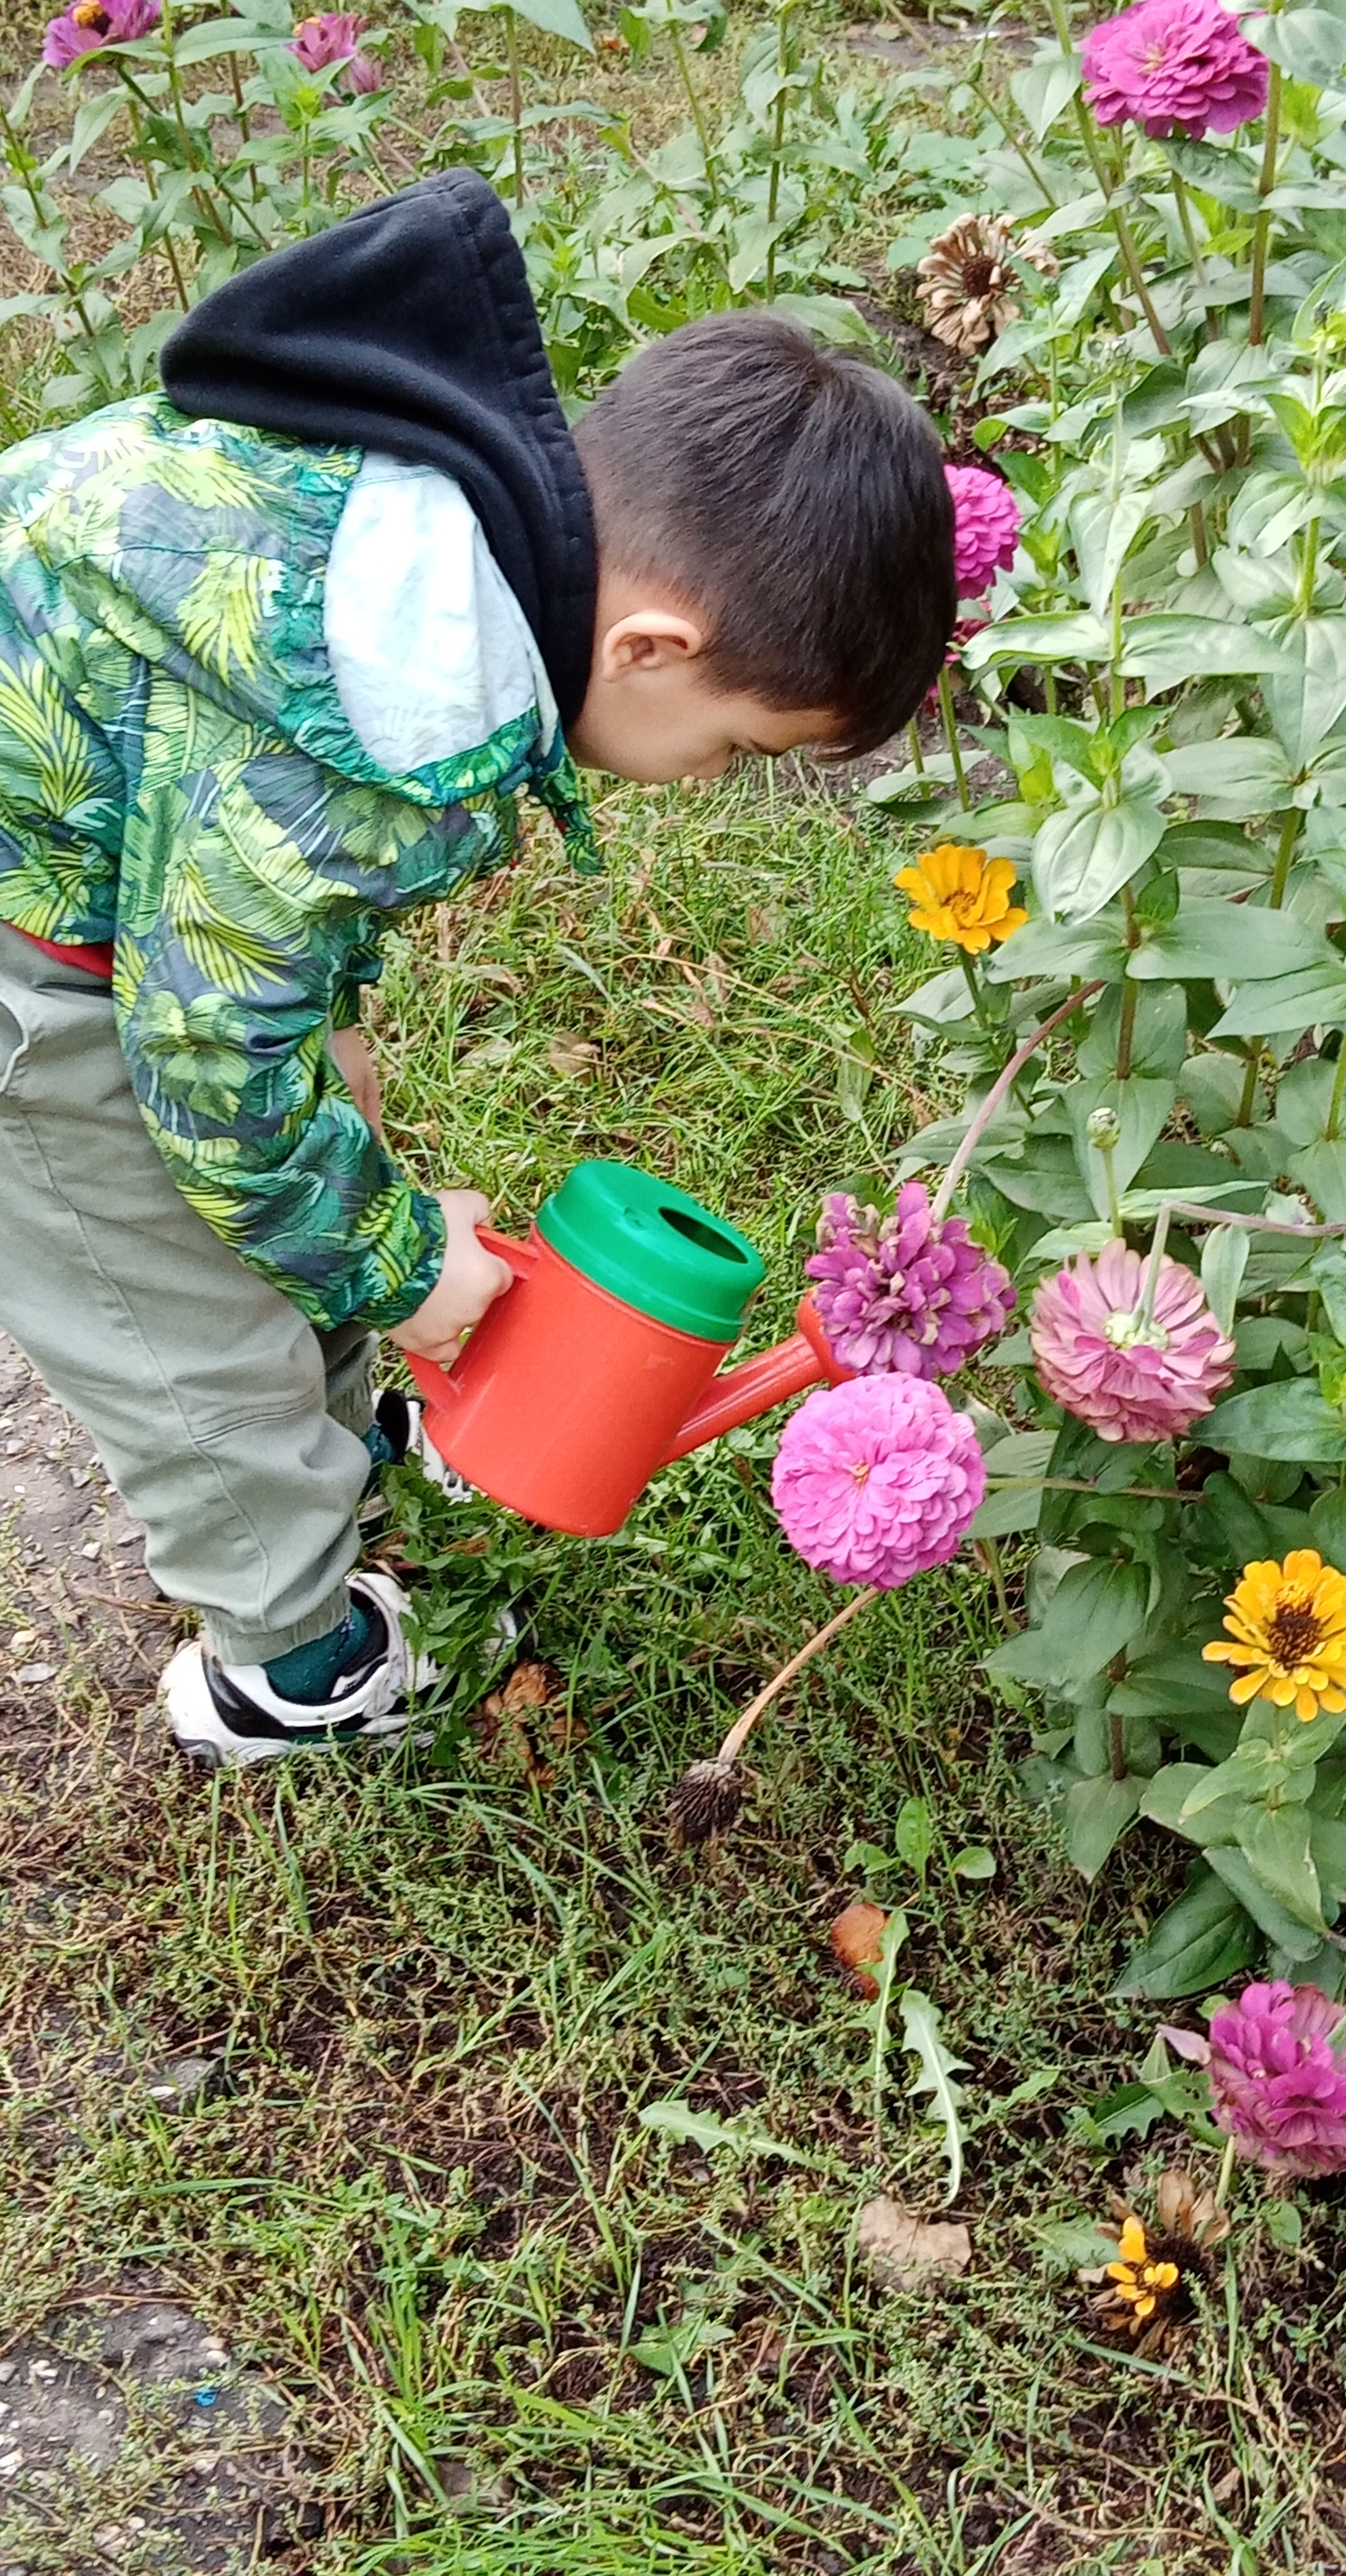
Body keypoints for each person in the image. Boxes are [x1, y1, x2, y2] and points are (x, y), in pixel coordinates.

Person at [0, 169, 955, 1765]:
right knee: (180, 1326)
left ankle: (343, 1424)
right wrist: (400, 1260)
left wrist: (336, 1039)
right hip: (31, 974)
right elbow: (212, 1070)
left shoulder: (440, 514)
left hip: (100, 862)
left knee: (293, 1181)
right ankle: (293, 1658)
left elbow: (227, 833)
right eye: (729, 751)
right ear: (649, 647)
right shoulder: (394, 715)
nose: (709, 786)